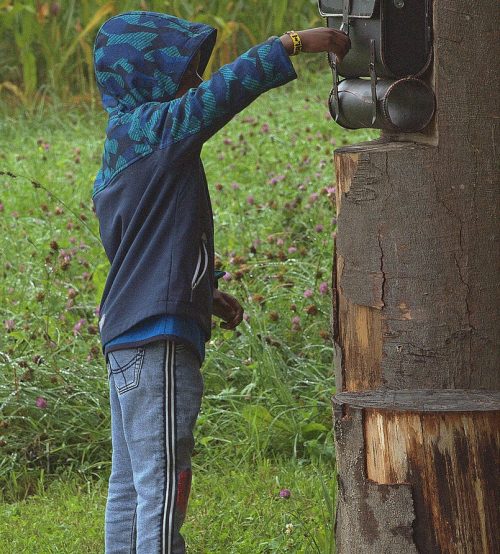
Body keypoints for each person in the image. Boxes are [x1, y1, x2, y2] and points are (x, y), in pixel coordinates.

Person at [92, 11, 349, 554]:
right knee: (162, 483)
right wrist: (291, 43)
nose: (192, 84)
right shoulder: (158, 131)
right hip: (156, 339)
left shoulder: (122, 148)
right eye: (181, 73)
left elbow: (139, 250)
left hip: (125, 335)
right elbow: (223, 93)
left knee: (130, 484)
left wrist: (202, 292)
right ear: (146, 77)